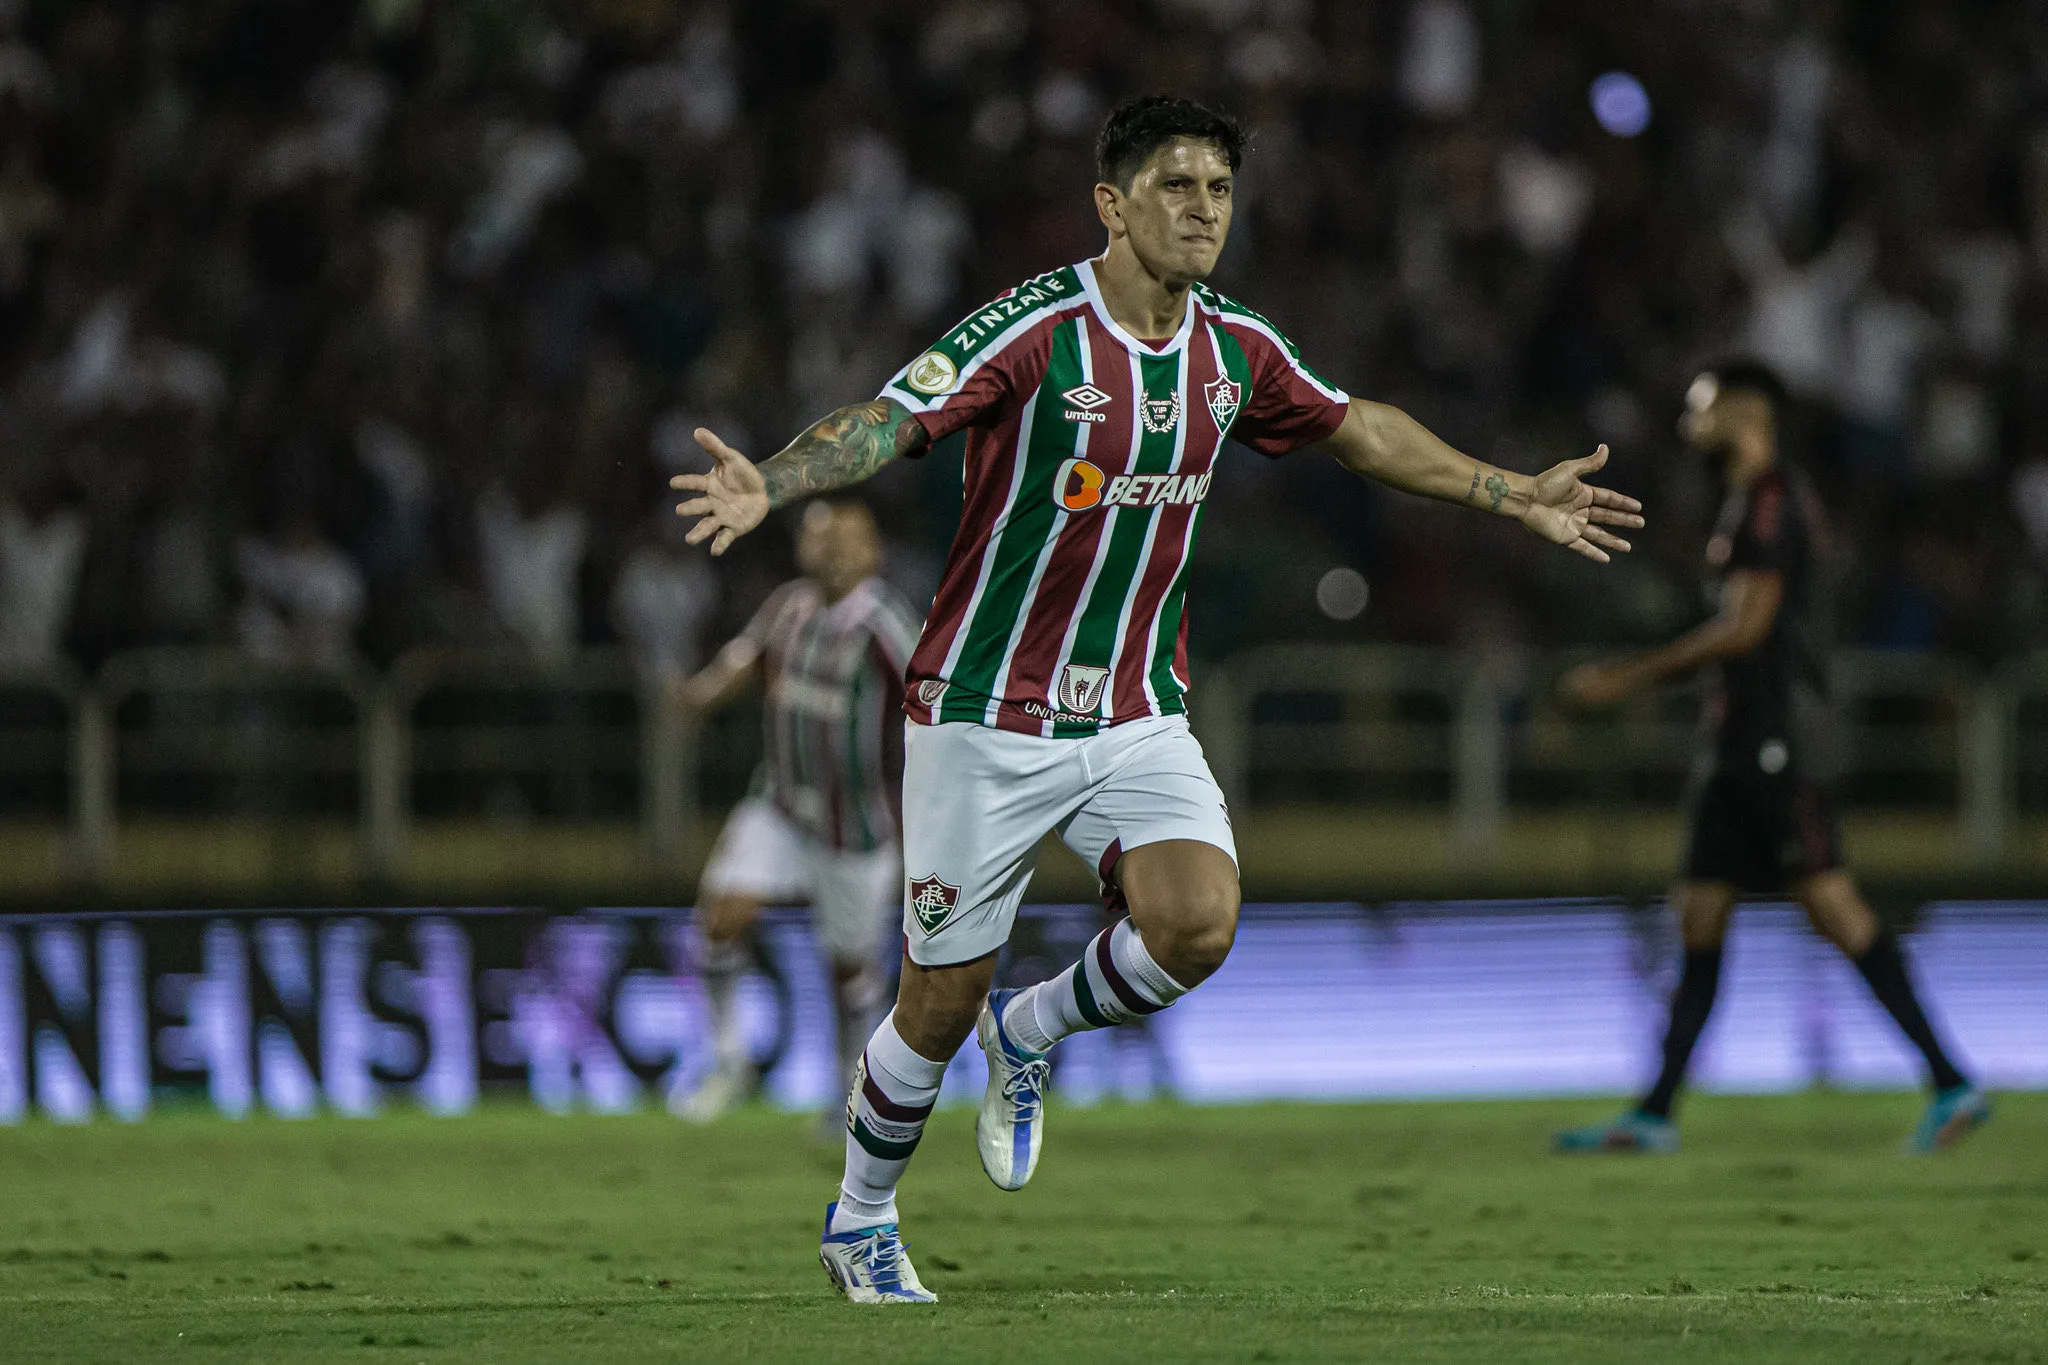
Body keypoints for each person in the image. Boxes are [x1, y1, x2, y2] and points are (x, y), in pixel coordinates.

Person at [673, 95, 1644, 1304]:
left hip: (1135, 708)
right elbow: (888, 415)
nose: (1200, 211)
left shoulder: (1233, 348)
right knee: (934, 999)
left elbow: (1360, 431)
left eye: (1218, 192)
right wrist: (772, 482)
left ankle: (1030, 1034)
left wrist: (1508, 493)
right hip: (983, 711)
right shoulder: (1032, 329)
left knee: (1196, 924)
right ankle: (859, 1217)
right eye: (1176, 187)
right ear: (1112, 204)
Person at [1552, 361, 1989, 1156]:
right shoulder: (1752, 499)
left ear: (1744, 411)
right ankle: (1653, 1112)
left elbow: (1747, 630)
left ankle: (1952, 1080)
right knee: (1700, 912)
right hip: (1737, 743)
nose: (1688, 418)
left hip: (1775, 740)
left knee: (1832, 905)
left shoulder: (1772, 499)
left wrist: (1626, 679)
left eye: (1700, 404)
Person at [673, 501, 920, 1131]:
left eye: (846, 540)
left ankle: (849, 1089)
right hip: (780, 802)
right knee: (721, 916)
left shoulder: (885, 621)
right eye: (820, 539)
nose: (831, 551)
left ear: (873, 552)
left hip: (857, 821)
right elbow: (746, 657)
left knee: (849, 969)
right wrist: (700, 695)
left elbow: (931, 698)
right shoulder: (788, 605)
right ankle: (728, 1063)